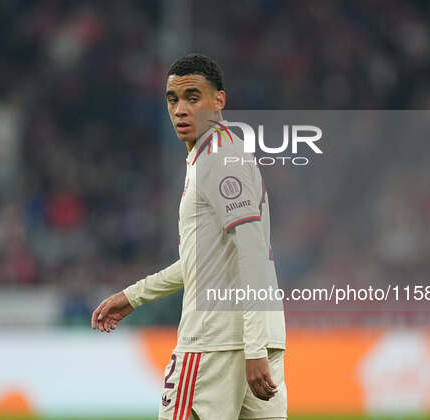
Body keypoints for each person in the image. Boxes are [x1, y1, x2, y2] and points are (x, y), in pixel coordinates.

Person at [91, 53, 286, 420]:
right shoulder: (226, 153)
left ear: (219, 101)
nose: (180, 109)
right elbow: (207, 260)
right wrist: (134, 296)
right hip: (255, 340)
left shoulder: (216, 157)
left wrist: (253, 346)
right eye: (172, 99)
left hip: (215, 343)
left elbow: (252, 252)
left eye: (192, 97)